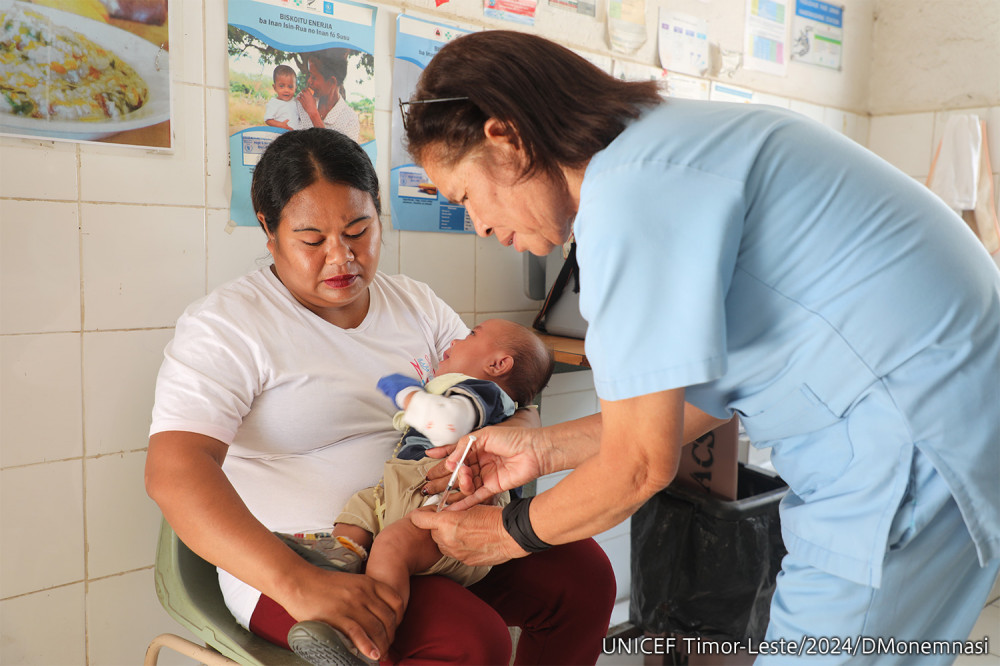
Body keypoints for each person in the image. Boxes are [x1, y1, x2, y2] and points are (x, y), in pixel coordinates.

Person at [402, 30, 1000, 661]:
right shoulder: (663, 145)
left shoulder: (630, 193)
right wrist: (543, 447)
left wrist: (504, 534)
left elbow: (639, 465)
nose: (481, 227)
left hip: (906, 437)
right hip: (939, 413)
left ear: (507, 137)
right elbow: (690, 409)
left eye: (465, 197)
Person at [144, 126, 615, 666]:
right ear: (268, 232)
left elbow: (502, 388)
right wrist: (297, 583)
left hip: (433, 532)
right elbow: (174, 471)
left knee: (582, 576)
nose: (342, 258)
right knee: (468, 639)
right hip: (304, 562)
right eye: (312, 240)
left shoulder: (414, 302)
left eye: (358, 230)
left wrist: (517, 433)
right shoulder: (227, 325)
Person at [284, 319, 555, 665]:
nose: (458, 338)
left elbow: (445, 426)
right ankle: (341, 557)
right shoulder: (468, 391)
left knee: (391, 546)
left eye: (472, 334)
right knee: (361, 507)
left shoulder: (483, 392)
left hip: (451, 504)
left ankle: (370, 638)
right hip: (409, 488)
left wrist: (407, 393)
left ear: (498, 364)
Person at [298, 48, 361, 142]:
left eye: (314, 77)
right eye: (309, 75)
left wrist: (314, 115)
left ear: (332, 82)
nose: (309, 81)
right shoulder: (302, 100)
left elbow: (338, 156)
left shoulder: (350, 120)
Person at [263, 64, 303, 131]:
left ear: (295, 88)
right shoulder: (274, 103)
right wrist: (280, 125)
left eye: (290, 87)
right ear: (275, 87)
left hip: (294, 136)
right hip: (279, 135)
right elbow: (268, 120)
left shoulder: (296, 102)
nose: (286, 90)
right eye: (281, 86)